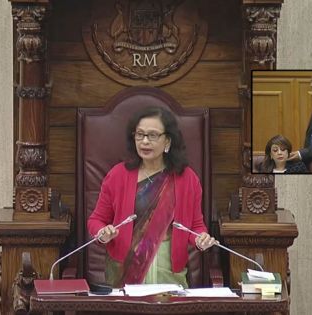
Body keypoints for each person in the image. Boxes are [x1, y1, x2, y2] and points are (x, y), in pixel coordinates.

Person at [87, 106, 216, 288]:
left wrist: (200, 238)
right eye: (140, 135)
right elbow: (96, 220)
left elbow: (195, 226)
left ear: (167, 141)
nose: (144, 141)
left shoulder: (187, 179)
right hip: (124, 271)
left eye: (152, 135)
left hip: (169, 272)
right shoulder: (118, 175)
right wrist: (102, 233)